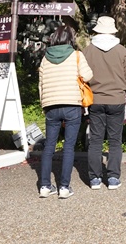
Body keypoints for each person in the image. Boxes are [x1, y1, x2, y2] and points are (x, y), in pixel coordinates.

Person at [82, 16, 126, 190]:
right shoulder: (121, 51)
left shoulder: (87, 51)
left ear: (97, 31)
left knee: (95, 140)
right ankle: (113, 178)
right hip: (116, 100)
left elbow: (81, 76)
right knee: (115, 141)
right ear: (113, 31)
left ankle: (95, 179)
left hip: (95, 100)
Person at [38, 24, 93, 199]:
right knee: (69, 146)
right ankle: (64, 187)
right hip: (71, 104)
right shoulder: (76, 55)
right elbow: (88, 76)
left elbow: (41, 84)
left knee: (49, 146)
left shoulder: (45, 58)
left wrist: (44, 104)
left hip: (51, 106)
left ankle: (45, 186)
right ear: (70, 39)